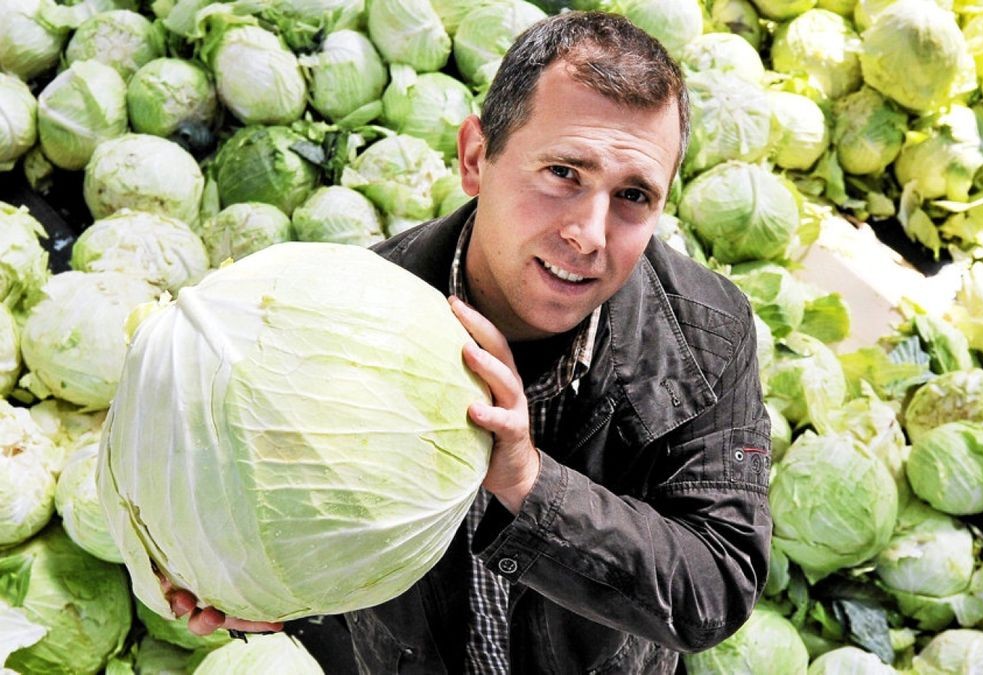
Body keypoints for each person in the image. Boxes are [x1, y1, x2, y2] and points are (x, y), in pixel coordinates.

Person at [168, 11, 772, 673]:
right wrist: (264, 587)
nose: (590, 234)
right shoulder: (346, 321)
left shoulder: (706, 333)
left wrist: (530, 484)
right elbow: (319, 515)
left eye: (633, 194)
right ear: (476, 158)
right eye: (564, 173)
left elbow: (716, 585)